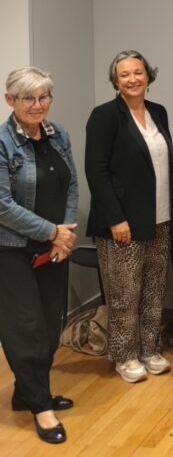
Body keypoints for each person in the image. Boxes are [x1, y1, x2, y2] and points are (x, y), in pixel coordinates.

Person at [86, 51, 173, 384]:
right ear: (115, 81)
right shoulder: (105, 116)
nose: (133, 79)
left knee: (154, 290)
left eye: (138, 72)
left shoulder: (159, 112)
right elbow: (96, 170)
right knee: (124, 294)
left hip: (160, 217)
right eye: (125, 74)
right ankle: (124, 355)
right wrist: (115, 218)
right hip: (121, 223)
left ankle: (150, 349)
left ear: (148, 76)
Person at [0, 67, 78, 445]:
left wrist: (64, 234)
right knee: (25, 330)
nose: (37, 104)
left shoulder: (58, 134)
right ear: (9, 100)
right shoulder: (1, 142)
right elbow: (0, 205)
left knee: (50, 327)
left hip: (53, 248)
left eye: (43, 96)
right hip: (9, 251)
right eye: (27, 97)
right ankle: (41, 407)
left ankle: (27, 392)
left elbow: (72, 185)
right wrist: (52, 232)